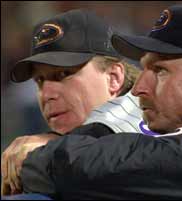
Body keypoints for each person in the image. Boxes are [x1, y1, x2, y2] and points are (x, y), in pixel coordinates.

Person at [6, 4, 182, 200]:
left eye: (160, 71)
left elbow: (143, 159)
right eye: (144, 68)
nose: (138, 88)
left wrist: (40, 159)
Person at [1, 9, 142, 196]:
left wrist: (56, 146)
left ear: (113, 78)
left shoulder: (155, 115)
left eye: (63, 74)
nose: (47, 94)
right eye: (40, 81)